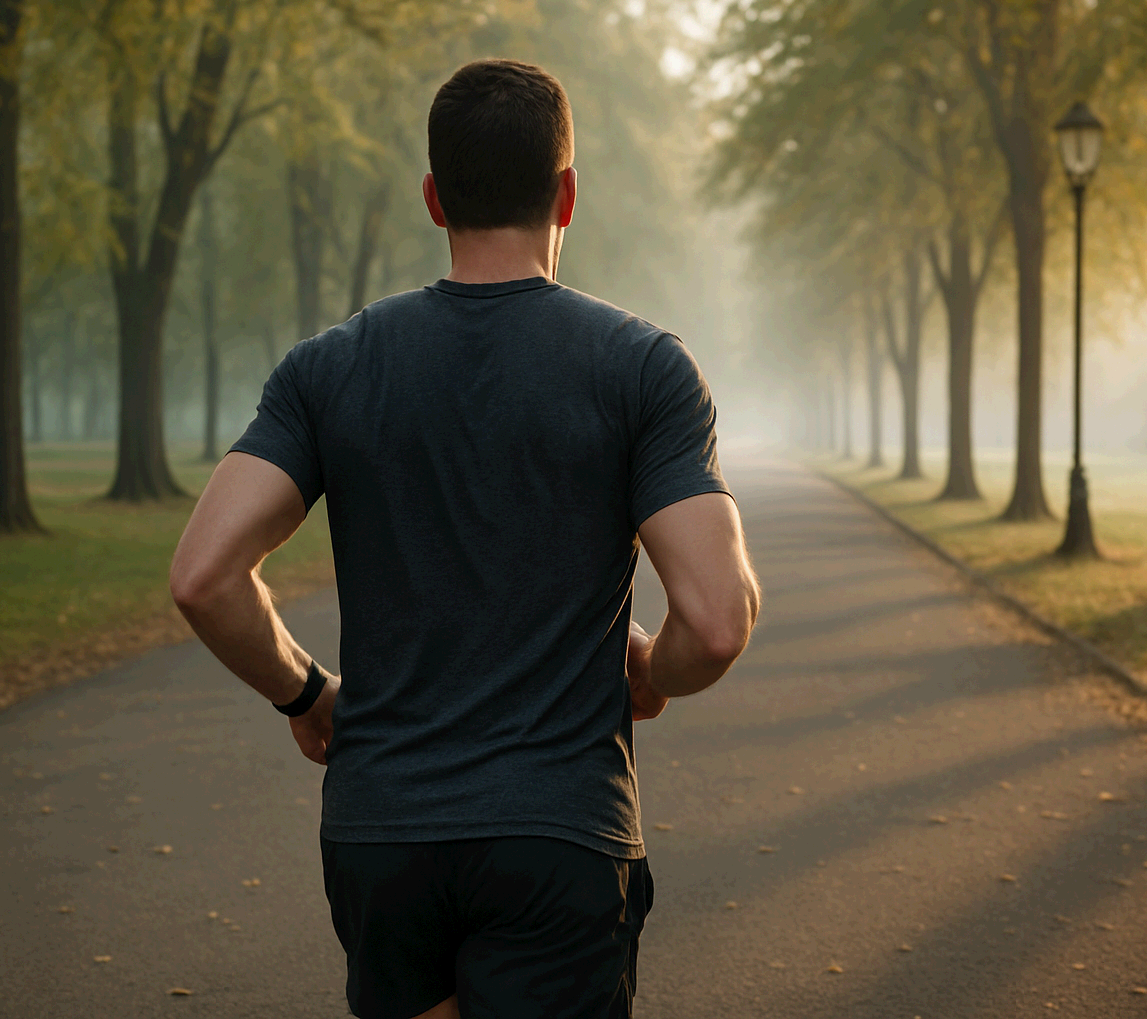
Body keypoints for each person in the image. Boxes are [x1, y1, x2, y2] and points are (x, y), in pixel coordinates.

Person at [169, 58, 761, 1019]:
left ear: (434, 198)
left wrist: (306, 691)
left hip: (381, 836)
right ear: (566, 193)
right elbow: (719, 622)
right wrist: (656, 674)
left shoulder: (330, 368)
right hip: (560, 836)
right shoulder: (642, 369)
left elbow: (203, 576)